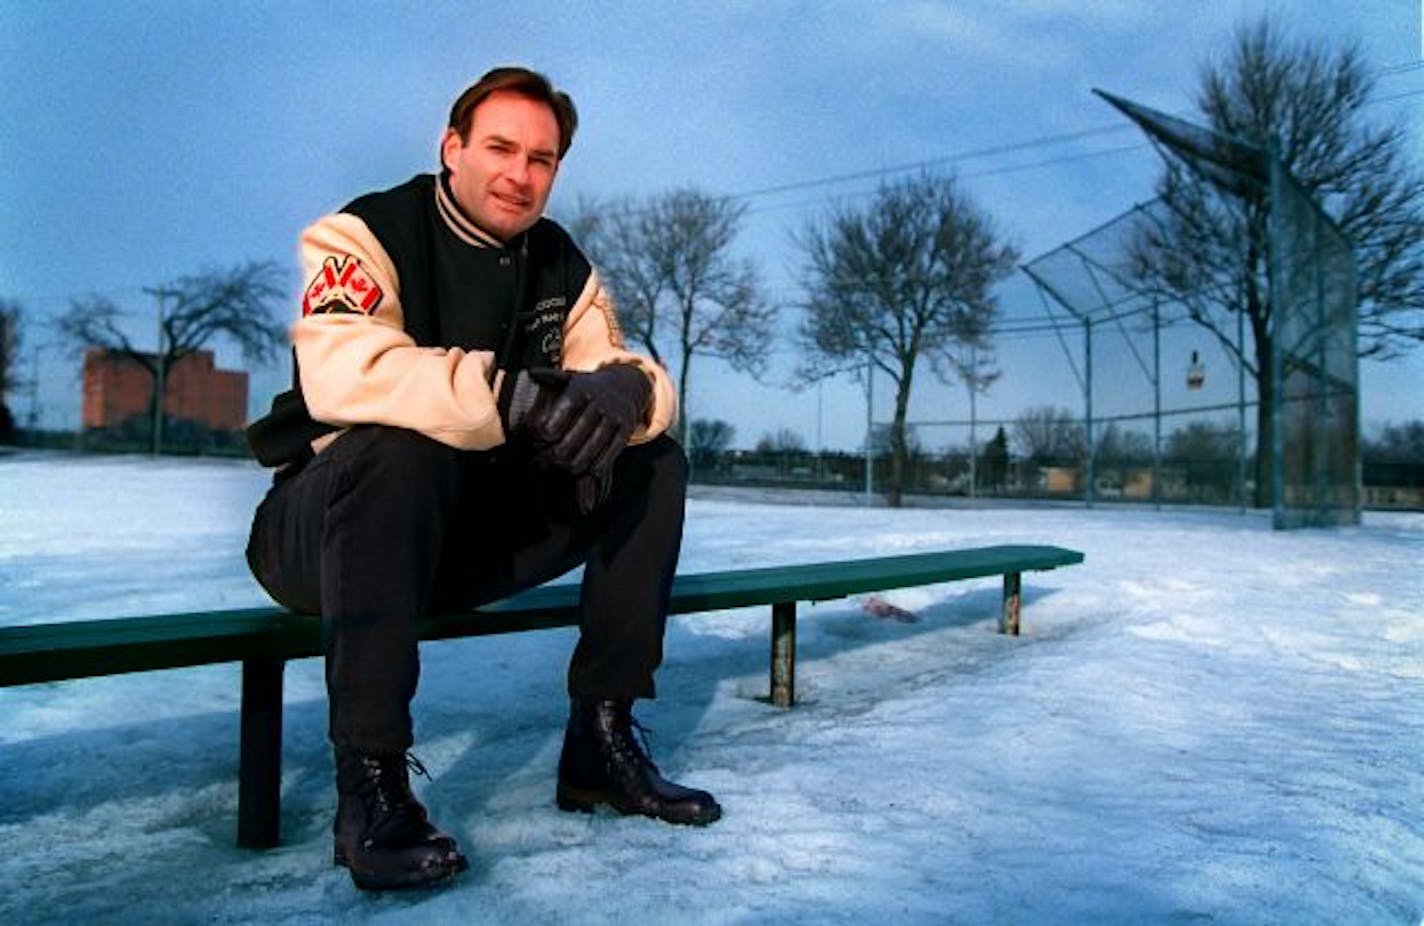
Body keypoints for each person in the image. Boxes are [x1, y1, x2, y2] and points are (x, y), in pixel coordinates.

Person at [244, 66, 720, 893]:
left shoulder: (560, 265)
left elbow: (622, 366)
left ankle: (600, 742)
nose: (519, 173)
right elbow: (349, 376)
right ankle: (371, 792)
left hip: (461, 536)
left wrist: (630, 387)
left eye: (542, 158)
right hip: (324, 532)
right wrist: (516, 398)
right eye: (500, 147)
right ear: (452, 147)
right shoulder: (361, 234)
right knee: (401, 447)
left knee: (651, 461)